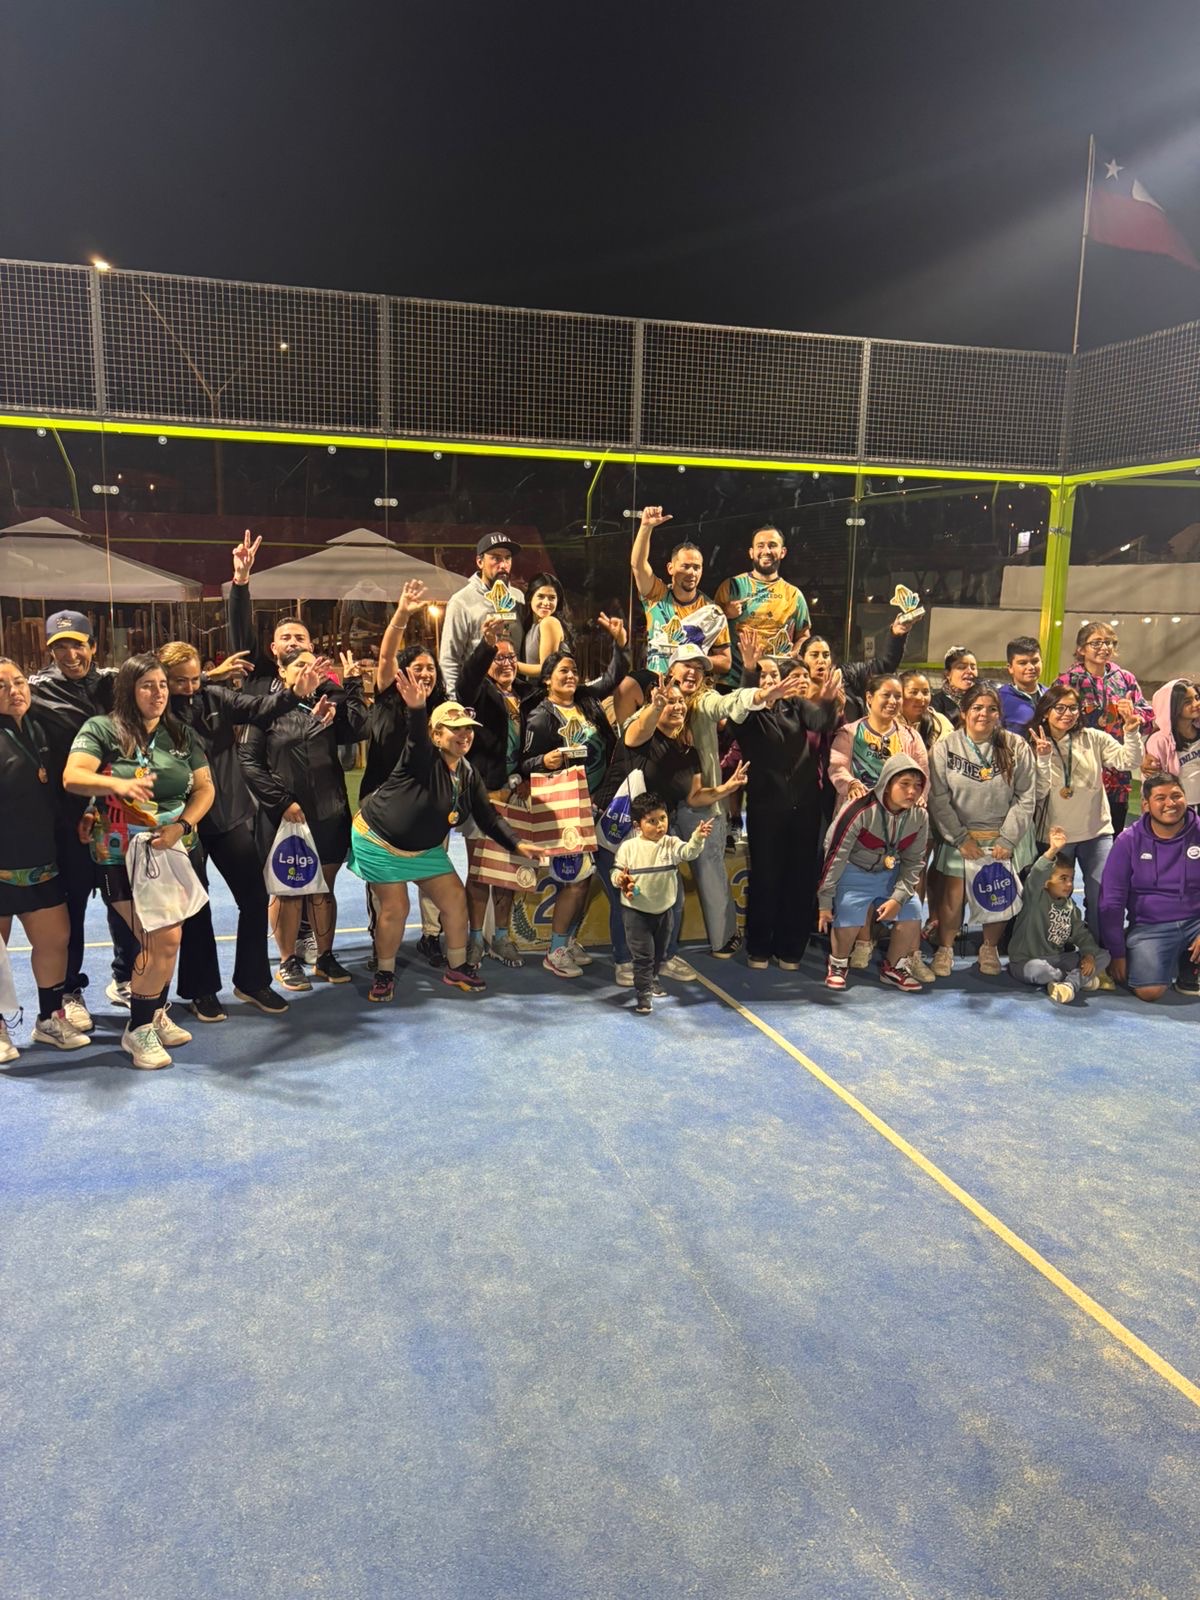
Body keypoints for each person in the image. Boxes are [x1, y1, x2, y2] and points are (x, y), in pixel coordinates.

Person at [348, 674, 543, 1002]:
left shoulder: (467, 773)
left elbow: (488, 816)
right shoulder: (420, 759)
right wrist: (416, 709)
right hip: (378, 841)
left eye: (468, 729)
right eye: (455, 729)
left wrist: (518, 844)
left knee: (454, 899)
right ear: (436, 735)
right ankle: (384, 973)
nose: (465, 734)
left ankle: (457, 967)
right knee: (396, 906)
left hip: (422, 849)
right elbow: (415, 740)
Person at [63, 654, 215, 1069]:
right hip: (120, 855)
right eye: (147, 685)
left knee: (169, 938)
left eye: (163, 684)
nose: (158, 692)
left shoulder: (180, 734)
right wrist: (118, 783)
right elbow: (73, 776)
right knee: (161, 939)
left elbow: (204, 789)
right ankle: (139, 1029)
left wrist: (182, 825)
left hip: (172, 851)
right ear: (129, 688)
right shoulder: (103, 729)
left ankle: (154, 1012)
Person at [159, 641, 312, 1020]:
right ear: (163, 679)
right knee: (197, 907)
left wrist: (294, 693)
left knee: (255, 897)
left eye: (196, 678)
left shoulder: (215, 697)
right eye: (180, 681)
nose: (191, 687)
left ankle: (252, 981)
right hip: (184, 823)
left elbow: (262, 707)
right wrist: (208, 675)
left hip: (228, 816)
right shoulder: (154, 707)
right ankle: (201, 990)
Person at [595, 678, 749, 984]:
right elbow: (643, 725)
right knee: (625, 896)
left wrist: (725, 789)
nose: (676, 706)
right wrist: (655, 707)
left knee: (673, 899)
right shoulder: (640, 736)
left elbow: (693, 797)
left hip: (655, 837)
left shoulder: (688, 752)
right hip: (618, 831)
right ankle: (625, 962)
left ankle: (665, 957)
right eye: (670, 701)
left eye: (680, 702)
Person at [28, 608, 140, 1027]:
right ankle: (71, 990)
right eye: (60, 646)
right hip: (67, 820)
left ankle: (125, 977)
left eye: (77, 644)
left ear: (93, 645)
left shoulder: (115, 683)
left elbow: (162, 678)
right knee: (72, 907)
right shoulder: (36, 689)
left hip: (116, 814)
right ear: (49, 650)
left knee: (122, 901)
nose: (70, 654)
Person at [237, 649, 369, 991]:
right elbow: (249, 763)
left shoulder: (327, 704)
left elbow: (359, 728)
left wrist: (349, 684)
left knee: (323, 890)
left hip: (328, 811)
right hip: (285, 817)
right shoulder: (266, 710)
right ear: (281, 671)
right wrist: (282, 803)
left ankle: (325, 957)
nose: (307, 670)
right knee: (289, 891)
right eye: (299, 665)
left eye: (313, 665)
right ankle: (288, 960)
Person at [519, 617, 629, 978]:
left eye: (574, 671)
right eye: (563, 671)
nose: (571, 676)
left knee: (589, 878)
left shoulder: (587, 702)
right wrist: (543, 761)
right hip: (567, 810)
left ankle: (565, 940)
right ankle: (555, 950)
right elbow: (525, 763)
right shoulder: (539, 717)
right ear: (547, 678)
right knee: (576, 879)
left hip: (599, 803)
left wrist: (620, 645)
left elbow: (614, 676)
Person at [0, 659, 90, 1060]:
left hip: (41, 860)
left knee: (55, 940)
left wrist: (86, 811)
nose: (14, 691)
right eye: (2, 686)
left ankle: (50, 1018)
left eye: (18, 681)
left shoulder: (43, 727)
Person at [734, 648, 844, 969]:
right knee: (767, 878)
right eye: (762, 675)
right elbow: (740, 711)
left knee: (799, 880)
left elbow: (821, 721)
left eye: (773, 674)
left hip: (805, 808)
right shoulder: (749, 715)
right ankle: (758, 947)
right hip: (766, 810)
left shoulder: (795, 706)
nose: (769, 680)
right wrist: (749, 673)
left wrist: (826, 698)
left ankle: (790, 948)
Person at [927, 683, 1037, 977]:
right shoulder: (945, 747)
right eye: (977, 708)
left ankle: (989, 948)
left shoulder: (1015, 746)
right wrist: (960, 838)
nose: (984, 714)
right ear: (963, 712)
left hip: (1001, 837)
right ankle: (945, 949)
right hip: (960, 836)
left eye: (991, 709)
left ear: (999, 714)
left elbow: (1026, 796)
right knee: (953, 896)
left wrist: (1008, 838)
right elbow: (938, 797)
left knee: (997, 893)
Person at [1027, 682, 1144, 943]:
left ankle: (1100, 950)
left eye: (1073, 708)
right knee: (1054, 896)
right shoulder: (1033, 742)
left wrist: (1131, 731)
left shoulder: (1093, 738)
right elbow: (1037, 792)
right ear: (1046, 711)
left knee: (1102, 896)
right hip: (1055, 836)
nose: (1067, 714)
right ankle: (1055, 947)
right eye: (1060, 708)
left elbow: (1129, 761)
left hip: (1095, 833)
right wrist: (1043, 758)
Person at [369, 621, 448, 970]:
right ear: (401, 673)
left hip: (428, 809)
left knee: (432, 876)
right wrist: (401, 613)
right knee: (387, 885)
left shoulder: (444, 710)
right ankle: (382, 944)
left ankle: (431, 936)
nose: (426, 673)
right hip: (383, 812)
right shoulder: (388, 697)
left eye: (431, 668)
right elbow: (386, 654)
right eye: (418, 668)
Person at [817, 754, 931, 992]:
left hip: (890, 872)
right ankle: (838, 963)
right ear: (887, 784)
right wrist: (825, 903)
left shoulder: (920, 816)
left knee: (912, 911)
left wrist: (898, 898)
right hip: (853, 870)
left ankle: (894, 967)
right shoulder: (858, 810)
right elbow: (835, 857)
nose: (913, 791)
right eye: (905, 784)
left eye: (918, 785)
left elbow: (914, 864)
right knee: (850, 916)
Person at [457, 616, 534, 966]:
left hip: (513, 795)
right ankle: (475, 939)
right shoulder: (481, 694)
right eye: (498, 658)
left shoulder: (524, 696)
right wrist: (485, 647)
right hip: (483, 796)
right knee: (479, 871)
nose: (505, 663)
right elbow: (466, 684)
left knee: (508, 873)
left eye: (510, 657)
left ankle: (501, 937)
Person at [1098, 773, 1200, 1002]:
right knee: (1149, 991)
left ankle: (1188, 963)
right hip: (1151, 925)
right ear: (1146, 805)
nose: (1170, 804)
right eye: (1160, 798)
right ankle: (1149, 949)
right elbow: (1111, 902)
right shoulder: (1128, 841)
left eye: (1176, 796)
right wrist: (1117, 953)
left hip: (1197, 921)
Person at [614, 795, 712, 1015]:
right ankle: (643, 995)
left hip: (664, 910)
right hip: (635, 912)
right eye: (652, 821)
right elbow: (616, 871)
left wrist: (697, 838)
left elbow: (688, 853)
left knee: (659, 952)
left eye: (663, 818)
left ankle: (653, 977)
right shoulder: (629, 847)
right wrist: (619, 878)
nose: (660, 825)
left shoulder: (671, 843)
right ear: (637, 825)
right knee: (643, 956)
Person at [1056, 622, 1153, 836]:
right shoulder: (1068, 681)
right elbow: (1053, 718)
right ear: (1081, 649)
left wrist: (1133, 717)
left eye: (1108, 642)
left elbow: (1148, 715)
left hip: (1118, 772)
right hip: (1078, 768)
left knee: (1114, 833)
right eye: (1096, 643)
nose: (1104, 647)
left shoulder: (1125, 679)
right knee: (1070, 835)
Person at [1008, 827, 1110, 1003]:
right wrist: (1052, 851)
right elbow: (1037, 875)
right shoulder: (1035, 898)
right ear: (1047, 882)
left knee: (1103, 955)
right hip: (1027, 961)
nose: (1069, 884)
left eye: (1071, 878)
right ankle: (1077, 979)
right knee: (1041, 971)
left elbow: (1082, 935)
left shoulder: (1071, 907)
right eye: (1063, 878)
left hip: (1057, 959)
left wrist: (1088, 955)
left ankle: (1068, 985)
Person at [630, 506, 731, 678]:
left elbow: (725, 662)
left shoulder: (712, 612)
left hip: (689, 689)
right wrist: (646, 528)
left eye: (696, 567)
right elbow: (638, 565)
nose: (692, 572)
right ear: (670, 568)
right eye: (685, 566)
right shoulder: (656, 595)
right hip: (656, 685)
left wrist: (694, 658)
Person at [714, 525, 810, 687]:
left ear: (782, 552)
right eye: (760, 545)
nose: (766, 550)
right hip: (733, 683)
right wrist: (724, 613)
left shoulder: (794, 595)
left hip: (776, 684)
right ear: (751, 552)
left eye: (772, 545)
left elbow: (804, 635)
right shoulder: (732, 587)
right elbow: (709, 628)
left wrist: (796, 652)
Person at [828, 675, 930, 815]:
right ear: (869, 698)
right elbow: (837, 768)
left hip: (898, 816)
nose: (893, 701)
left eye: (898, 696)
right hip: (857, 814)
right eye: (886, 695)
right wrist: (851, 784)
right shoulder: (849, 733)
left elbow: (923, 773)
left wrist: (921, 796)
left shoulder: (912, 737)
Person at [439, 532, 526, 695]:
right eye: (496, 558)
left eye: (507, 558)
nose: (503, 565)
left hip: (513, 694)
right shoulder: (461, 601)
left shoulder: (518, 597)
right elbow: (449, 658)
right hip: (476, 694)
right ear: (480, 562)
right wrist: (454, 702)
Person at [798, 615, 915, 723]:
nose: (821, 660)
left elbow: (885, 665)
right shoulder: (794, 686)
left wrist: (896, 635)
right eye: (814, 655)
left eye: (826, 655)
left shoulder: (848, 674)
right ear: (802, 659)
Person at [1143, 679, 1200, 807]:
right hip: (1177, 807)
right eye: (1188, 702)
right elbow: (1151, 781)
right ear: (1172, 707)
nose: (1196, 704)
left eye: (1197, 698)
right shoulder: (1159, 740)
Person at [517, 572, 573, 680]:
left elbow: (547, 669)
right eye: (541, 596)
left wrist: (511, 665)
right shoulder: (531, 626)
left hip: (547, 694)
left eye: (552, 598)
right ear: (530, 598)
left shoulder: (549, 622)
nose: (546, 603)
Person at [997, 636, 1048, 735]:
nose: (1030, 667)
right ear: (1010, 668)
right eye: (1023, 663)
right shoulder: (999, 699)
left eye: (1035, 661)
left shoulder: (1051, 695)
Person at [931, 647, 978, 726]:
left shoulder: (983, 699)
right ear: (947, 674)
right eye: (962, 667)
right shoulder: (936, 703)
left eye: (973, 667)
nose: (969, 671)